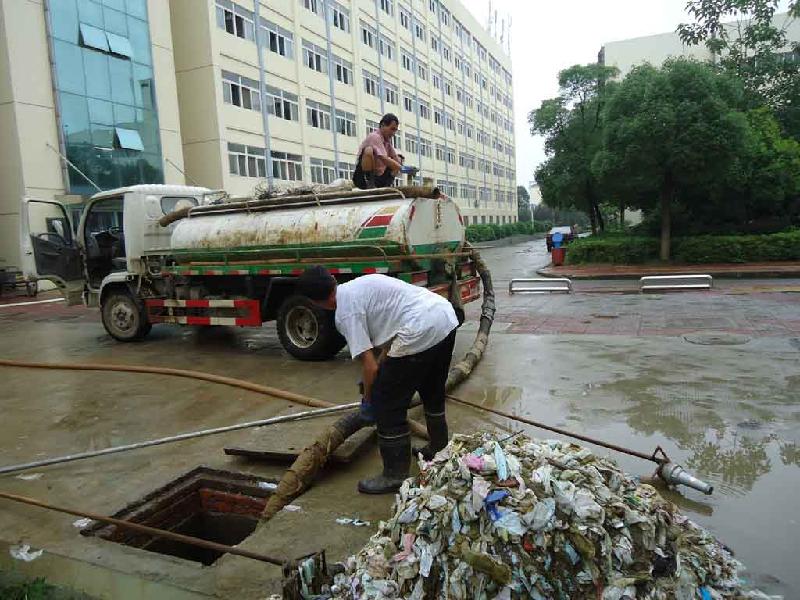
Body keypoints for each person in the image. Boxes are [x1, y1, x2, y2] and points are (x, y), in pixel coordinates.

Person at [296, 266, 459, 494]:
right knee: (431, 388)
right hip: (444, 317)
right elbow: (388, 342)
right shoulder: (362, 283)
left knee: (388, 406)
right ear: (333, 279)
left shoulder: (345, 314)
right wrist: (382, 373)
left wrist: (369, 400)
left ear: (315, 301)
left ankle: (394, 475)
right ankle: (439, 447)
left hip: (419, 329)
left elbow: (369, 366)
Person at [352, 113, 403, 189]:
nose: (393, 133)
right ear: (383, 125)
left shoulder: (387, 142)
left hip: (378, 178)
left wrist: (404, 167)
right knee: (368, 150)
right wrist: (402, 168)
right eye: (392, 129)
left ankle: (387, 184)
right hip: (362, 179)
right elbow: (384, 158)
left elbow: (395, 158)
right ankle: (369, 183)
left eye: (395, 130)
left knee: (399, 159)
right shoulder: (374, 137)